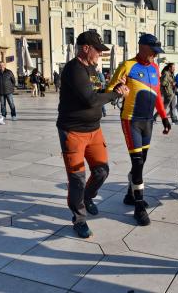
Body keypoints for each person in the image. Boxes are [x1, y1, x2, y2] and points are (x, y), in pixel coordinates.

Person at [57, 31, 129, 238]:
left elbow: (97, 93)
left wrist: (114, 88)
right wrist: (116, 94)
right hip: (72, 132)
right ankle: (79, 219)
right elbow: (90, 100)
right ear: (85, 48)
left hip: (94, 130)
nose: (100, 54)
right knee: (77, 178)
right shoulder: (74, 69)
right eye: (97, 49)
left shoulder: (92, 69)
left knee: (102, 171)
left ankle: (88, 197)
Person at [107, 33, 171, 226]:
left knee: (141, 162)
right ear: (143, 48)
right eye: (153, 52)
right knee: (137, 163)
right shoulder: (127, 66)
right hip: (131, 120)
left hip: (148, 121)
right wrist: (118, 87)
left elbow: (158, 95)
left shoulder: (154, 68)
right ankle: (139, 207)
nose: (155, 56)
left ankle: (129, 193)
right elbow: (109, 90)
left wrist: (165, 117)